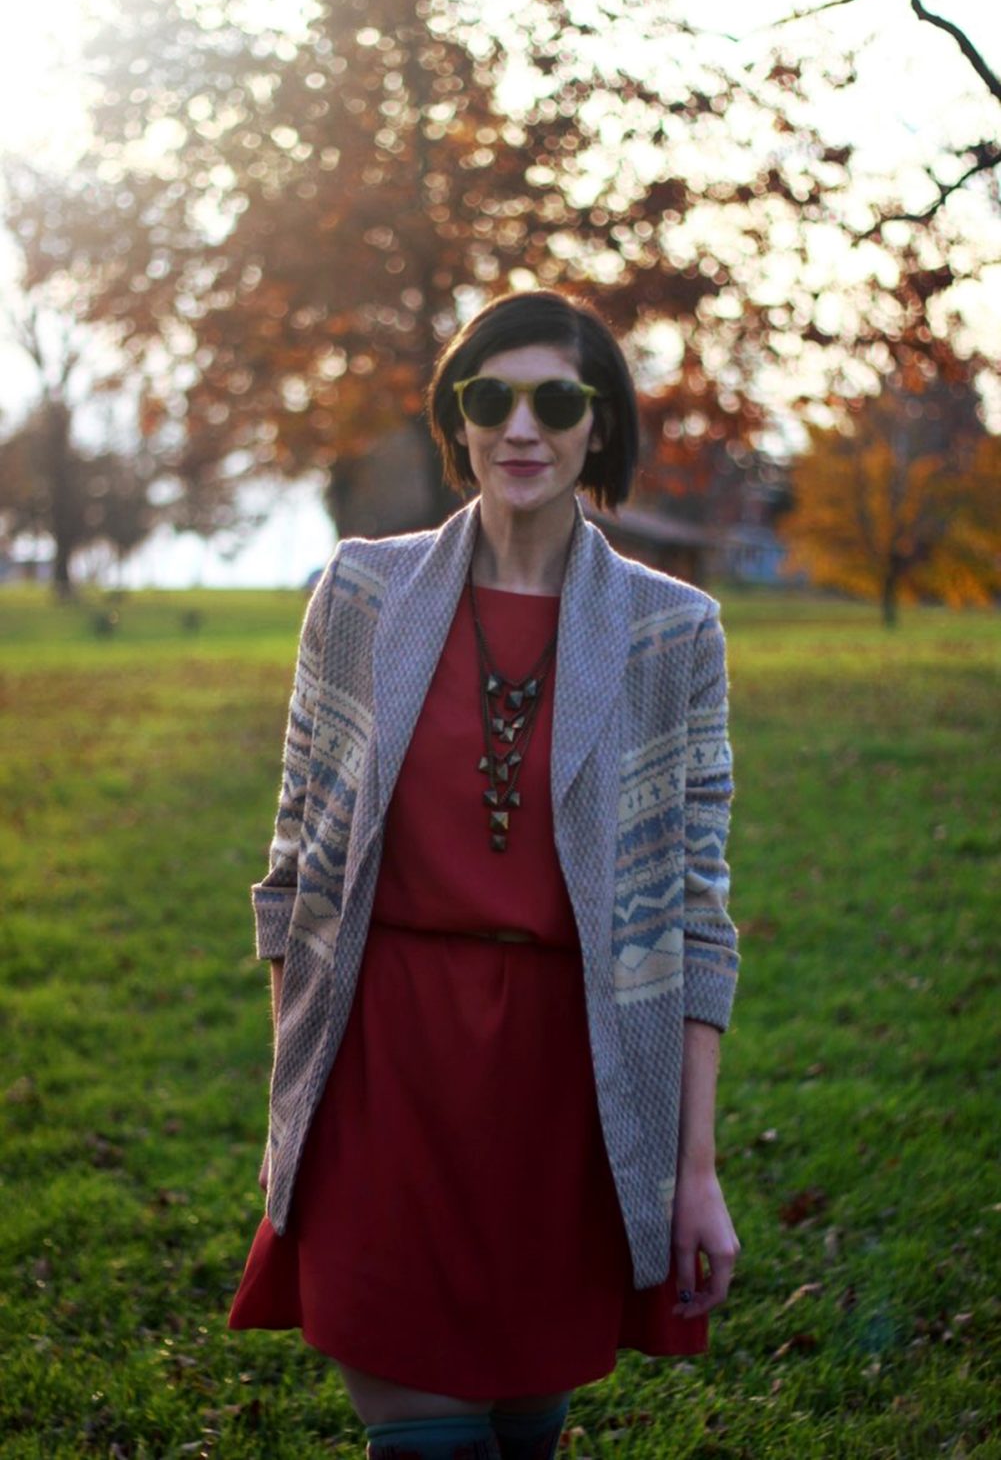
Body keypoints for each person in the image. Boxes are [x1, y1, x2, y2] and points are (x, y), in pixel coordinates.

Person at [228, 289, 741, 1460]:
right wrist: (297, 1098)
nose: (521, 425)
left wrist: (692, 1170)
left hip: (571, 1084)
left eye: (554, 399)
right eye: (488, 398)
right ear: (452, 421)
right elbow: (295, 865)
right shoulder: (359, 593)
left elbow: (692, 919)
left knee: (522, 1427)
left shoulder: (675, 633)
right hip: (384, 1073)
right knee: (425, 1435)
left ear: (597, 425)